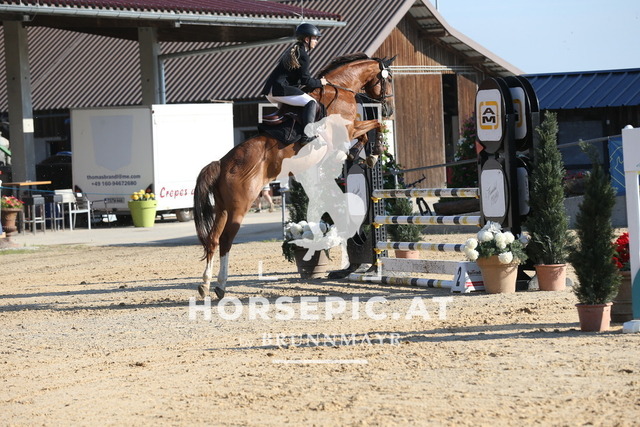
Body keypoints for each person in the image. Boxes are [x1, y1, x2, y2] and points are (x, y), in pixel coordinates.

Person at [261, 23, 328, 144]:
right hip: (280, 90)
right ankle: (307, 136)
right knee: (311, 102)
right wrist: (320, 82)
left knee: (297, 110)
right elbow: (306, 81)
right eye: (315, 38)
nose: (316, 41)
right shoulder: (303, 55)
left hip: (271, 90)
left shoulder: (295, 50)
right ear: (307, 39)